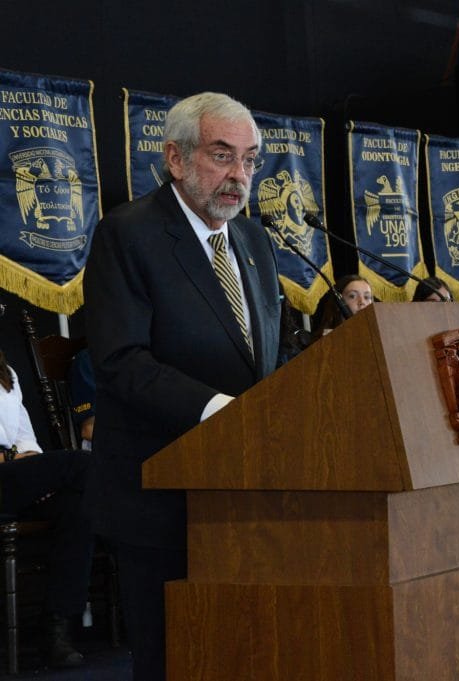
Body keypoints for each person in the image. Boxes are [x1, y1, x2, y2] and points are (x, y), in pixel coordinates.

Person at [83, 92, 282, 681]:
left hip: (246, 494)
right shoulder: (129, 234)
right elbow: (120, 360)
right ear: (175, 157)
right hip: (161, 495)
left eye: (250, 159)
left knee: (243, 652)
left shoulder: (252, 241)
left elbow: (267, 354)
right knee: (175, 660)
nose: (239, 176)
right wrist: (222, 410)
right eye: (222, 155)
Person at [0, 350, 93, 667]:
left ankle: (55, 628)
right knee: (84, 464)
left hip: (14, 476)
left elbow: (26, 438)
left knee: (78, 507)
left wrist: (31, 462)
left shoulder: (7, 371)